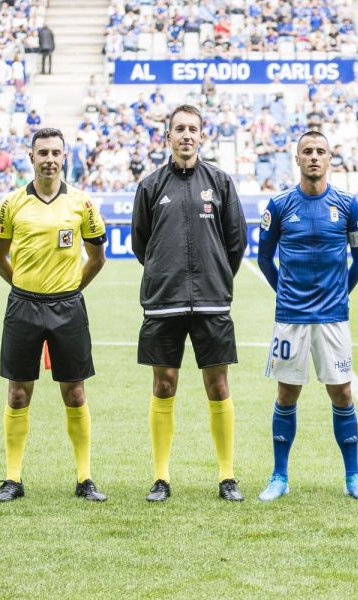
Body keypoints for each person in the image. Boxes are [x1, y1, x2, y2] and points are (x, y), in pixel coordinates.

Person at [131, 105, 248, 502]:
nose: (186, 135)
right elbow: (140, 245)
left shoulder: (220, 181)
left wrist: (215, 275)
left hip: (213, 301)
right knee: (164, 385)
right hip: (164, 302)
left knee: (218, 386)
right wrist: (167, 272)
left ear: (202, 136)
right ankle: (161, 477)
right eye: (178, 129)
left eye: (192, 129)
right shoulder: (149, 185)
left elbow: (236, 243)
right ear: (167, 137)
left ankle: (227, 476)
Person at [0, 127, 108, 503]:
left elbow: (97, 257)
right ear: (32, 158)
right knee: (19, 393)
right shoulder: (11, 204)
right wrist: (23, 287)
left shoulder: (83, 205)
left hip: (68, 306)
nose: (50, 159)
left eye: (56, 152)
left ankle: (85, 478)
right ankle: (12, 479)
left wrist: (71, 288)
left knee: (74, 393)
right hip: (23, 305)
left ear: (65, 158)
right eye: (43, 153)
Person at [256, 131, 358, 502]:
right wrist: (286, 294)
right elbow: (263, 258)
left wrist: (340, 294)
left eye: (320, 151)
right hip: (291, 316)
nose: (313, 157)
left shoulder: (348, 205)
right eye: (307, 151)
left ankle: (353, 477)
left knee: (341, 391)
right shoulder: (278, 206)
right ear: (296, 158)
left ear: (330, 159)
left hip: (333, 317)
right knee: (287, 392)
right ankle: (279, 476)